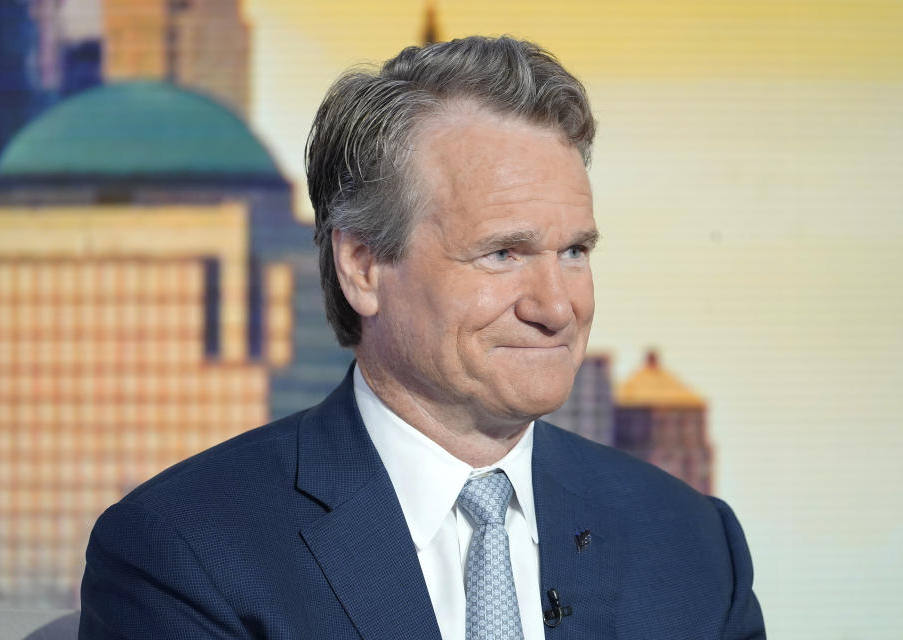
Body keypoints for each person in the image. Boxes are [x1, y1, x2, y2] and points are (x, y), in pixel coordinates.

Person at [79, 36, 765, 639]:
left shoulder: (694, 546)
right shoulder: (188, 554)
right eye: (503, 253)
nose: (558, 307)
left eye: (575, 252)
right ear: (364, 266)